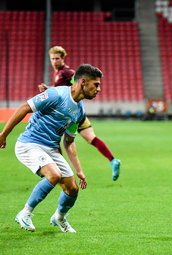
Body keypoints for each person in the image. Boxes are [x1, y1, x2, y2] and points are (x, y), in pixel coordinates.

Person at [0, 64, 102, 232]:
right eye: (96, 84)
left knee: (73, 189)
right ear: (84, 82)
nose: (99, 89)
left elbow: (68, 141)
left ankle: (59, 218)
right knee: (54, 174)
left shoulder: (80, 111)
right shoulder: (57, 94)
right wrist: (3, 135)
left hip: (51, 149)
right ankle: (25, 213)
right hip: (29, 144)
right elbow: (24, 108)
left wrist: (79, 170)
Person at [39, 46, 121, 181]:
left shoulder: (66, 72)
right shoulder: (60, 74)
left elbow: (76, 83)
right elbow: (65, 88)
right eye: (52, 59)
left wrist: (49, 89)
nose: (54, 61)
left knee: (56, 136)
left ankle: (57, 169)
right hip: (78, 111)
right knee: (91, 139)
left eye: (57, 59)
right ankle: (112, 160)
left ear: (63, 58)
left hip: (69, 113)